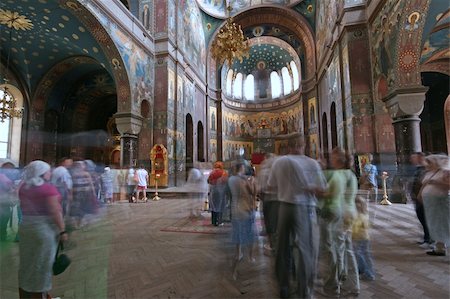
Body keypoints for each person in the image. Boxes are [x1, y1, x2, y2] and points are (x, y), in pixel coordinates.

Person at [268, 137, 327, 298]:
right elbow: (323, 191)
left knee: (282, 248)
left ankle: (284, 287)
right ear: (303, 145)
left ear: (287, 145)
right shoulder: (312, 163)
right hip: (304, 207)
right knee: (305, 249)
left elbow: (271, 185)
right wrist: (311, 188)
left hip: (284, 207)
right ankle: (304, 291)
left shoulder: (279, 162)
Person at [18, 160, 68, 298]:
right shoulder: (48, 189)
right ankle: (40, 296)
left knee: (27, 264)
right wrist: (62, 230)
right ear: (41, 173)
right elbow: (54, 211)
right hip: (43, 230)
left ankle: (26, 295)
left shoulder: (24, 187)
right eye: (47, 171)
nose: (50, 172)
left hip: (26, 228)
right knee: (42, 266)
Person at [227, 161, 257, 280]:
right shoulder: (242, 180)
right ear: (242, 168)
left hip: (234, 210)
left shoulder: (231, 179)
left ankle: (238, 252)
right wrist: (251, 183)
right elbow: (251, 193)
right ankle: (250, 256)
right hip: (244, 210)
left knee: (237, 235)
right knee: (250, 234)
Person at [421, 154, 450, 256]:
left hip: (440, 202)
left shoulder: (445, 172)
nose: (426, 164)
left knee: (444, 225)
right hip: (431, 204)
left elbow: (448, 185)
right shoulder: (430, 172)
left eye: (429, 162)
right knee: (435, 225)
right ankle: (439, 248)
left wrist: (435, 183)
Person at [256, 153, 279, 255]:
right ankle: (277, 245)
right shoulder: (278, 169)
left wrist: (260, 193)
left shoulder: (263, 170)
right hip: (279, 199)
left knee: (269, 222)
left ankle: (272, 244)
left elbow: (259, 188)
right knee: (276, 222)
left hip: (267, 198)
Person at [409, 152, 431, 246]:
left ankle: (429, 239)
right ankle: (427, 238)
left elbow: (422, 182)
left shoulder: (427, 169)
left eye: (413, 158)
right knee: (421, 217)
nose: (411, 160)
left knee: (426, 219)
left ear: (421, 158)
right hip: (418, 197)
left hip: (424, 197)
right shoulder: (418, 169)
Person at [352, 196, 375, 281]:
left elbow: (356, 228)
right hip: (361, 238)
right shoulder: (363, 214)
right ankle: (361, 269)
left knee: (363, 254)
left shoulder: (360, 215)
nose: (357, 205)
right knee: (360, 254)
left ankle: (369, 273)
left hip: (361, 238)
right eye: (355, 203)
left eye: (358, 203)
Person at [208, 161, 228, 226]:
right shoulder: (224, 172)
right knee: (220, 206)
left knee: (213, 206)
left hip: (213, 191)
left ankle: (214, 221)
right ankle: (219, 221)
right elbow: (226, 181)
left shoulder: (212, 172)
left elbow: (208, 181)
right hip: (221, 191)